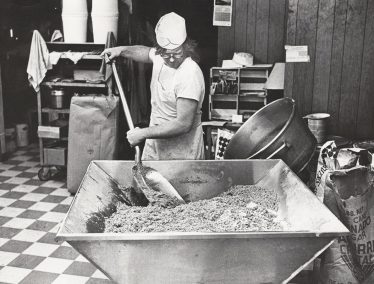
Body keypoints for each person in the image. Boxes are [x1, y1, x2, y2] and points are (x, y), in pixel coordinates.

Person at [101, 12, 205, 160]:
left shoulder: (190, 74)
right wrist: (121, 50)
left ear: (186, 47)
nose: (171, 59)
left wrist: (142, 133)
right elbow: (146, 52)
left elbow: (183, 124)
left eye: (177, 54)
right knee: (150, 181)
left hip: (183, 150)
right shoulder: (160, 56)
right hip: (157, 142)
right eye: (165, 54)